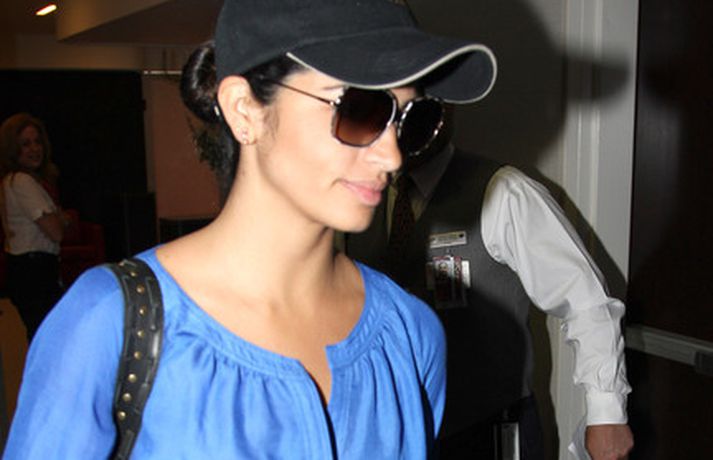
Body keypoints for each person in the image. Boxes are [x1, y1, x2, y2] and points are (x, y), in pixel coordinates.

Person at [4, 0, 498, 458]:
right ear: (245, 110)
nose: (391, 155)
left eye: (412, 120)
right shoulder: (110, 324)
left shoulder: (409, 334)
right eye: (360, 109)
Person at [345, 131, 635, 458]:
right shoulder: (356, 196)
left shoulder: (503, 191)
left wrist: (606, 413)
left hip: (487, 431)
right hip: (392, 433)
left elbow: (586, 301)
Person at [0, 112, 67, 342]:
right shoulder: (21, 181)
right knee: (48, 341)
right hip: (33, 271)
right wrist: (60, 218)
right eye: (25, 144)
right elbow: (56, 231)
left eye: (37, 142)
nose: (34, 149)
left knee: (45, 339)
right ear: (13, 149)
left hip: (32, 269)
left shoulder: (24, 181)